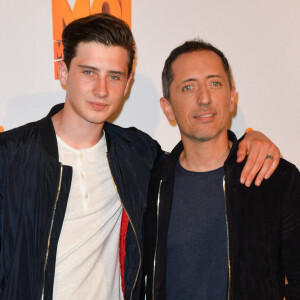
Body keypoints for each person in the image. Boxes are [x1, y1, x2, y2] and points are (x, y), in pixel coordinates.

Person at [0, 14, 280, 300]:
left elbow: (201, 156)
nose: (101, 89)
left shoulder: (136, 154)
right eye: (88, 72)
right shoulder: (9, 156)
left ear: (127, 83)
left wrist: (250, 138)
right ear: (63, 72)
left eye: (114, 76)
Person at [144, 40, 300, 300]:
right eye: (188, 87)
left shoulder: (276, 178)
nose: (204, 98)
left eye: (215, 83)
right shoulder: (150, 183)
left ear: (231, 99)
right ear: (168, 108)